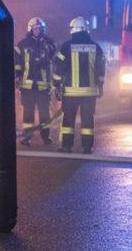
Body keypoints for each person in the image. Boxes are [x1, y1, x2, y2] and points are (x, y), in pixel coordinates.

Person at [51, 17, 106, 153]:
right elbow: (101, 68)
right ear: (86, 30)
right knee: (88, 121)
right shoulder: (95, 46)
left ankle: (67, 146)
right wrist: (100, 86)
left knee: (68, 120)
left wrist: (56, 85)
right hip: (89, 92)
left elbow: (59, 68)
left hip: (70, 92)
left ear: (72, 30)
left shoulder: (66, 46)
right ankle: (87, 147)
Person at [14, 16, 55, 146]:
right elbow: (17, 63)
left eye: (39, 28)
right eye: (35, 28)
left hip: (43, 86)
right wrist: (16, 78)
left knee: (44, 113)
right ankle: (28, 137)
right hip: (27, 86)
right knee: (28, 113)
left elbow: (54, 62)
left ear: (43, 29)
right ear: (30, 29)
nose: (37, 30)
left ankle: (46, 137)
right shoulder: (22, 44)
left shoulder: (49, 44)